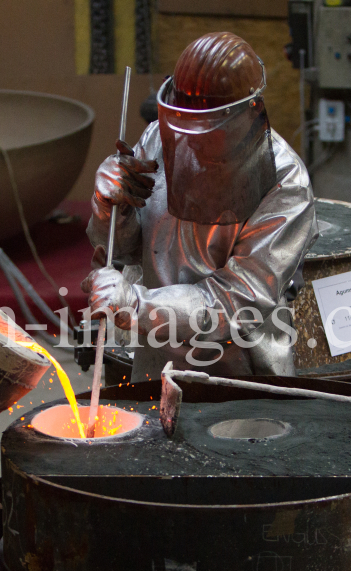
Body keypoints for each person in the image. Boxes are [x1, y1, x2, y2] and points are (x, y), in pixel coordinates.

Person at [80, 32, 318, 382]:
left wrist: (136, 304)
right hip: (156, 359)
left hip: (239, 376)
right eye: (184, 122)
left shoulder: (284, 183)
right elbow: (127, 251)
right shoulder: (161, 138)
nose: (190, 140)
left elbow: (234, 305)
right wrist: (110, 206)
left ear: (247, 113)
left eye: (206, 127)